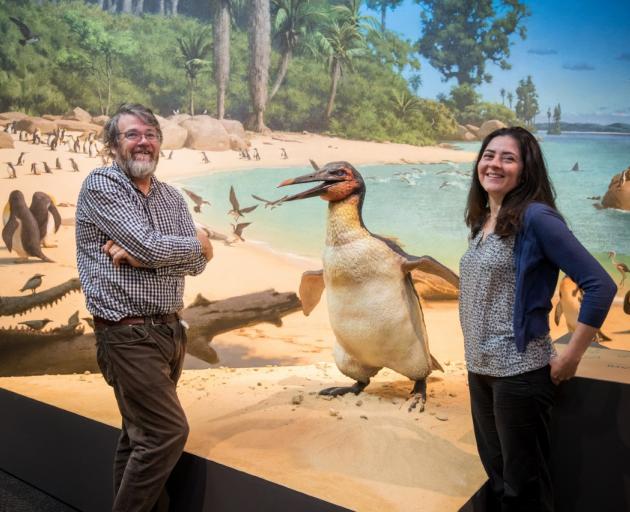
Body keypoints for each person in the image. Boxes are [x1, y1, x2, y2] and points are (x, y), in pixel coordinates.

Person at [459, 126, 616, 511]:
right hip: (480, 369)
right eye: (489, 155)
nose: (494, 164)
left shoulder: (537, 218)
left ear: (526, 170)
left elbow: (601, 285)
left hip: (519, 375)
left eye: (507, 158)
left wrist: (571, 356)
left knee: (523, 490)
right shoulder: (483, 221)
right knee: (497, 478)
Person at [76, 103, 213, 511]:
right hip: (126, 332)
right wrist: (190, 244)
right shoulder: (104, 184)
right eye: (132, 134)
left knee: (137, 437)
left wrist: (150, 254)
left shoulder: (170, 197)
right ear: (113, 145)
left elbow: (198, 264)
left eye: (150, 134)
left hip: (170, 331)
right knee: (166, 433)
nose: (143, 142)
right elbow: (157, 246)